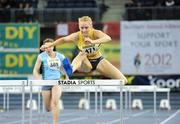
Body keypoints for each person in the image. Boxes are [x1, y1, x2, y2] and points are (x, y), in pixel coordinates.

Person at [40, 16, 127, 84]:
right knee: (82, 54)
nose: (84, 30)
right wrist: (50, 44)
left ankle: (69, 71)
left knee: (123, 80)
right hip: (85, 63)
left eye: (86, 27)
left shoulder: (96, 33)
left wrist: (93, 41)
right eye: (81, 28)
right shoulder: (77, 36)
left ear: (91, 26)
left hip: (98, 60)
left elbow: (108, 38)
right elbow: (64, 40)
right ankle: (69, 70)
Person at [33, 38, 70, 124]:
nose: (48, 48)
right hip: (46, 83)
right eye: (46, 47)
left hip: (57, 82)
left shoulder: (60, 56)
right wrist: (39, 80)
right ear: (44, 47)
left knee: (55, 101)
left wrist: (67, 77)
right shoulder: (41, 56)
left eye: (50, 46)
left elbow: (68, 68)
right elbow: (35, 71)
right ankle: (49, 108)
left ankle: (55, 123)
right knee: (48, 108)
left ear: (53, 46)